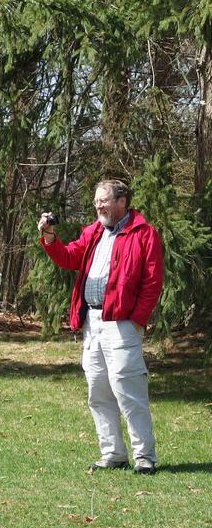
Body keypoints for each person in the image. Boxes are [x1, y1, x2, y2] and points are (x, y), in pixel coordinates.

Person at [37, 180, 163, 475]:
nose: (98, 206)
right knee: (98, 390)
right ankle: (113, 454)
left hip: (122, 324)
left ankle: (144, 457)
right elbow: (69, 258)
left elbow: (152, 282)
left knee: (128, 389)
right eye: (96, 201)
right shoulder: (94, 231)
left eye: (103, 200)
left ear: (122, 201)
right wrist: (50, 238)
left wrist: (136, 320)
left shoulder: (143, 233)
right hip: (92, 323)